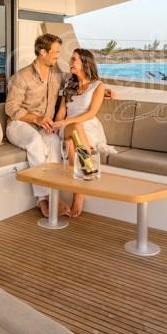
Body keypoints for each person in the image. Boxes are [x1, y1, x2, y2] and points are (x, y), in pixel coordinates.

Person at [5, 33, 68, 218]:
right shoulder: (21, 76)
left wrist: (102, 90)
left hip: (43, 126)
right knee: (34, 141)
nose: (58, 56)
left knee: (55, 142)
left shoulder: (57, 75)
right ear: (42, 52)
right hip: (19, 124)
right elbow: (11, 108)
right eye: (55, 52)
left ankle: (52, 194)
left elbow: (78, 83)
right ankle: (45, 198)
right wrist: (37, 119)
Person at [52, 48, 114, 217]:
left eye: (74, 59)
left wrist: (66, 122)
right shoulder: (68, 84)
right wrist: (58, 124)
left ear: (85, 63)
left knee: (72, 143)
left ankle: (78, 194)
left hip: (88, 127)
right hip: (68, 127)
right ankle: (88, 168)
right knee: (75, 128)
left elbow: (91, 113)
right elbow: (62, 111)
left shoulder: (98, 85)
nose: (70, 62)